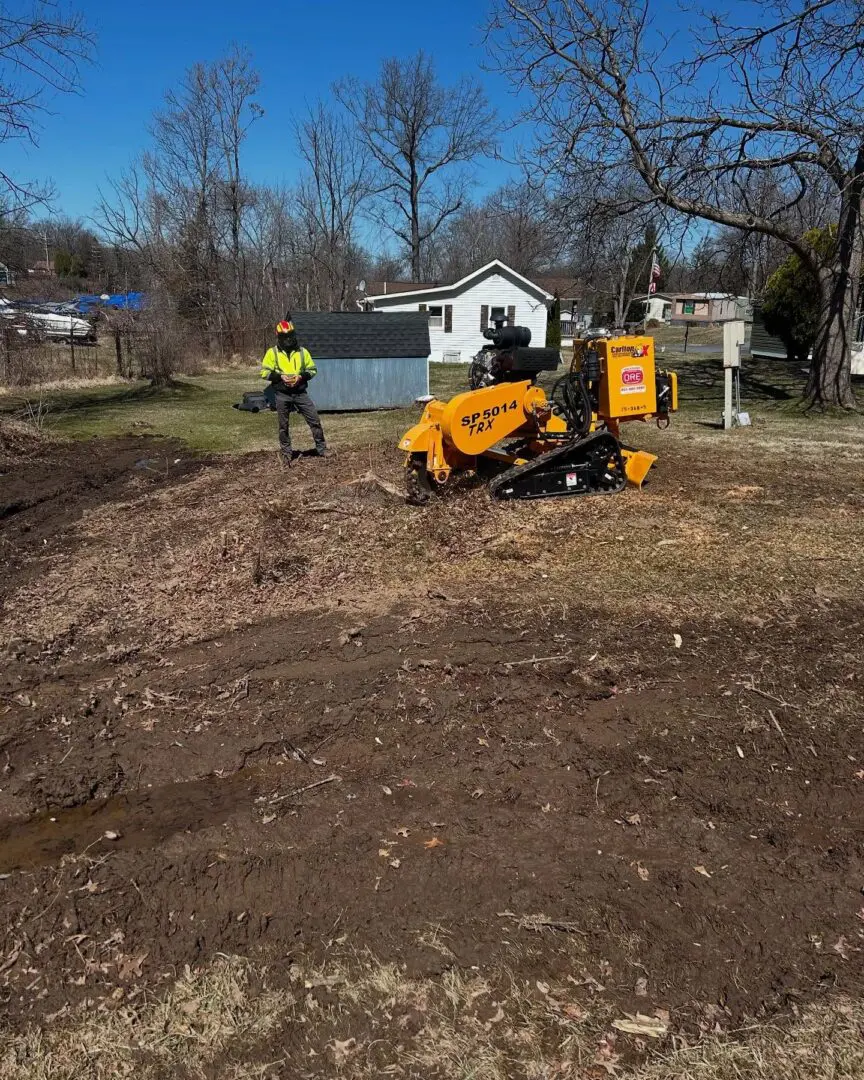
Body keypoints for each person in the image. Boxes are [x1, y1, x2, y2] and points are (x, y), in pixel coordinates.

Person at [260, 320, 330, 460]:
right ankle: (286, 453)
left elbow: (312, 370)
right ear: (278, 336)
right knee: (283, 425)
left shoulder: (302, 352)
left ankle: (322, 449)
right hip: (282, 394)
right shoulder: (272, 353)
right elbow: (264, 373)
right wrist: (280, 377)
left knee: (314, 420)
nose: (288, 339)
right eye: (284, 336)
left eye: (290, 335)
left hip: (300, 393)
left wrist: (301, 377)